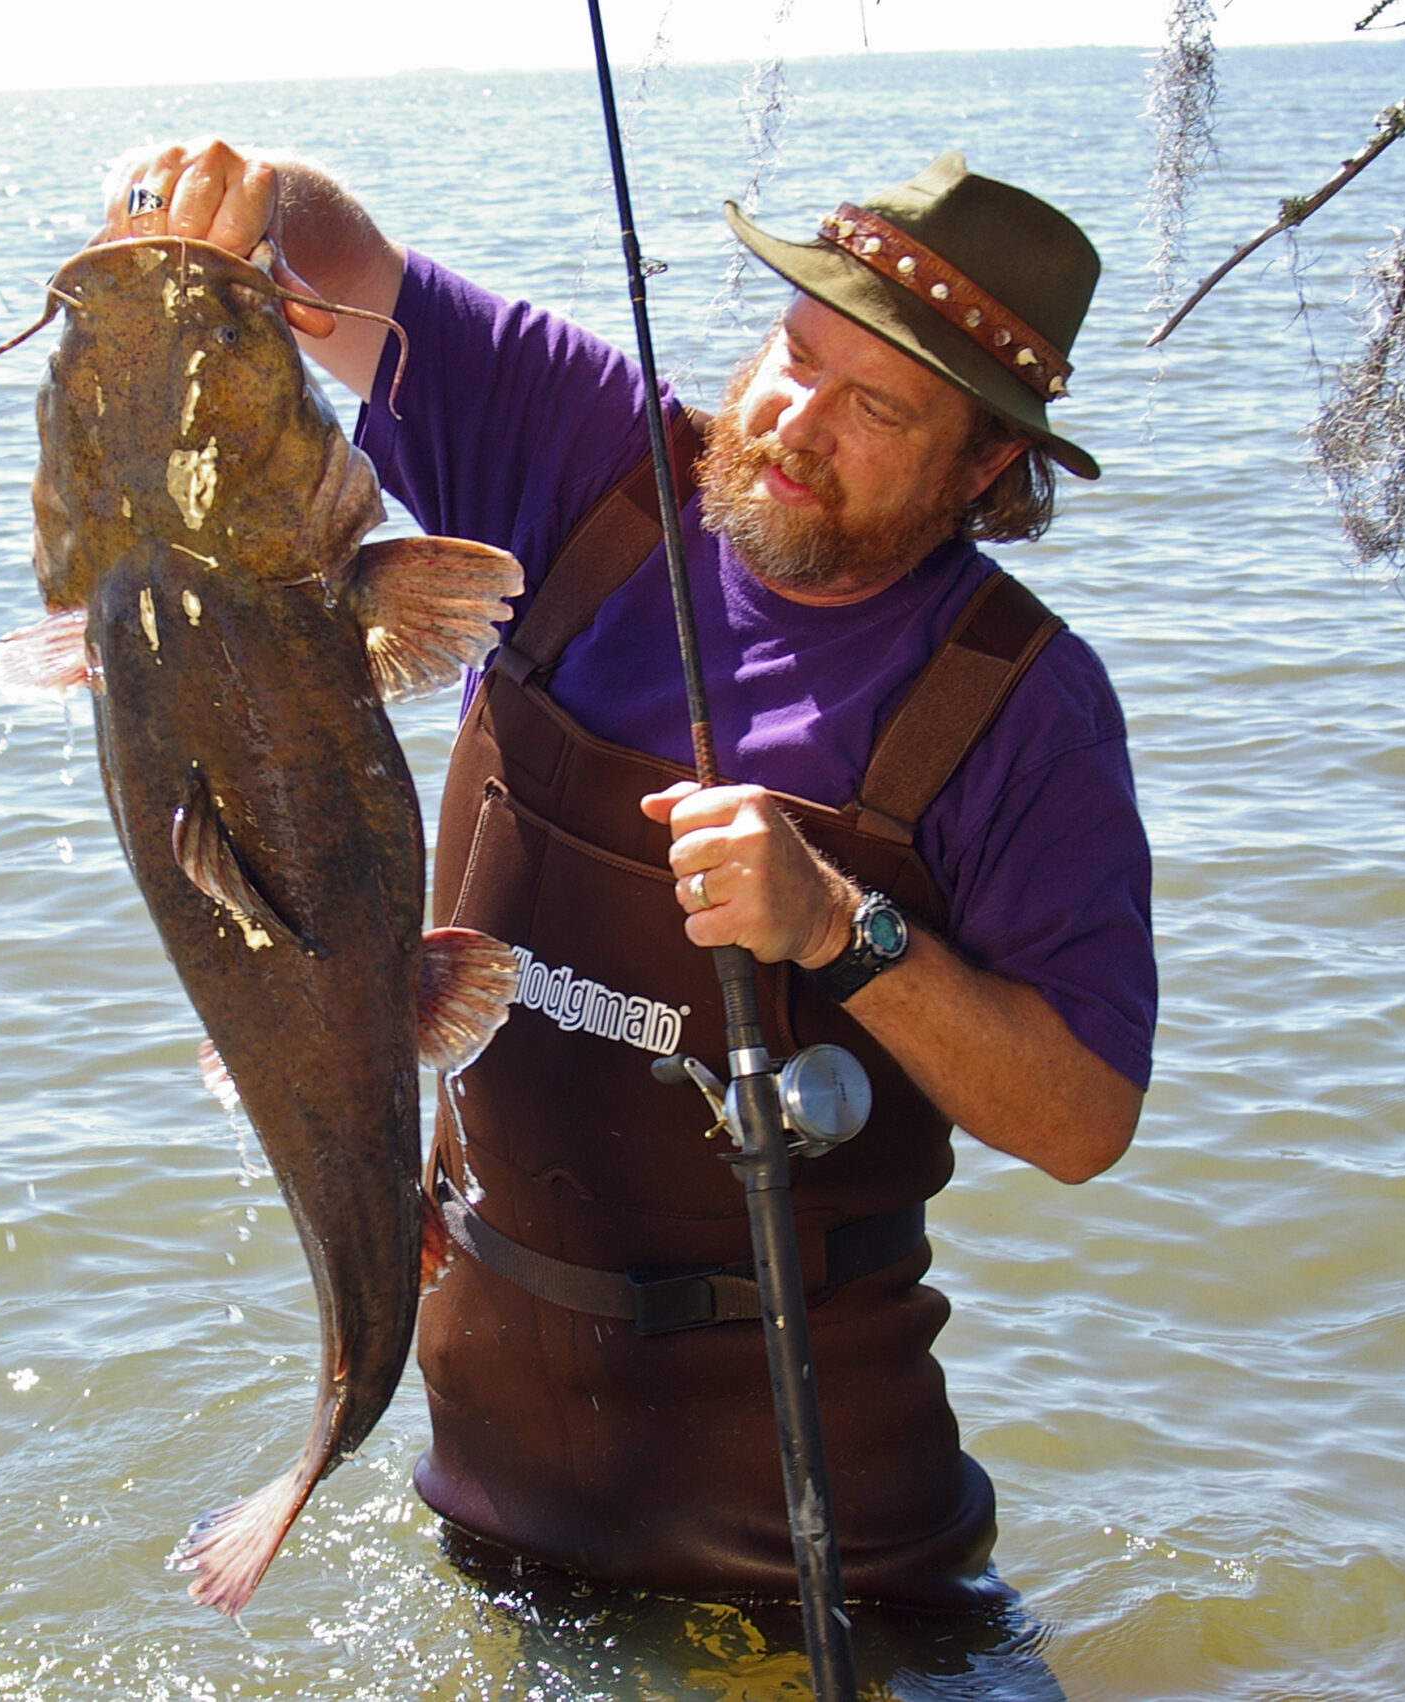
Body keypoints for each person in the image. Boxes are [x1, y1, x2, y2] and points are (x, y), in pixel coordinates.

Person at [96, 141, 1154, 1611]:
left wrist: (846, 930)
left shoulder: (1021, 705)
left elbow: (1086, 1114)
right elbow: (340, 273)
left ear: (985, 463)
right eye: (795, 354)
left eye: (876, 407)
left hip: (814, 1545)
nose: (793, 420)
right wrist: (248, 197)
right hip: (488, 1482)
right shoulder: (586, 458)